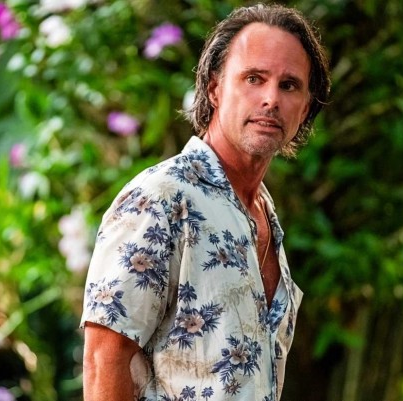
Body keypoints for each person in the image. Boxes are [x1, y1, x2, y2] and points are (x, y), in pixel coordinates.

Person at [80, 3, 330, 400]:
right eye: (253, 78)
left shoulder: (263, 213)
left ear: (305, 108)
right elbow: (103, 361)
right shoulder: (161, 197)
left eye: (289, 85)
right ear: (215, 88)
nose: (271, 99)